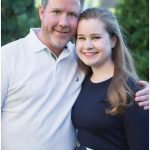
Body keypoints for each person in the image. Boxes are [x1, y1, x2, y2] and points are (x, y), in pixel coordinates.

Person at [1, 0, 149, 149]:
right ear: (41, 12)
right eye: (57, 12)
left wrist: (143, 91)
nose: (63, 22)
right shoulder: (7, 57)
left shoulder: (80, 58)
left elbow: (114, 82)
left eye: (72, 14)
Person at [71, 8, 149, 150]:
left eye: (96, 37)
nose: (88, 46)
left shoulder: (130, 90)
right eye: (81, 38)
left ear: (113, 40)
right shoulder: (80, 80)